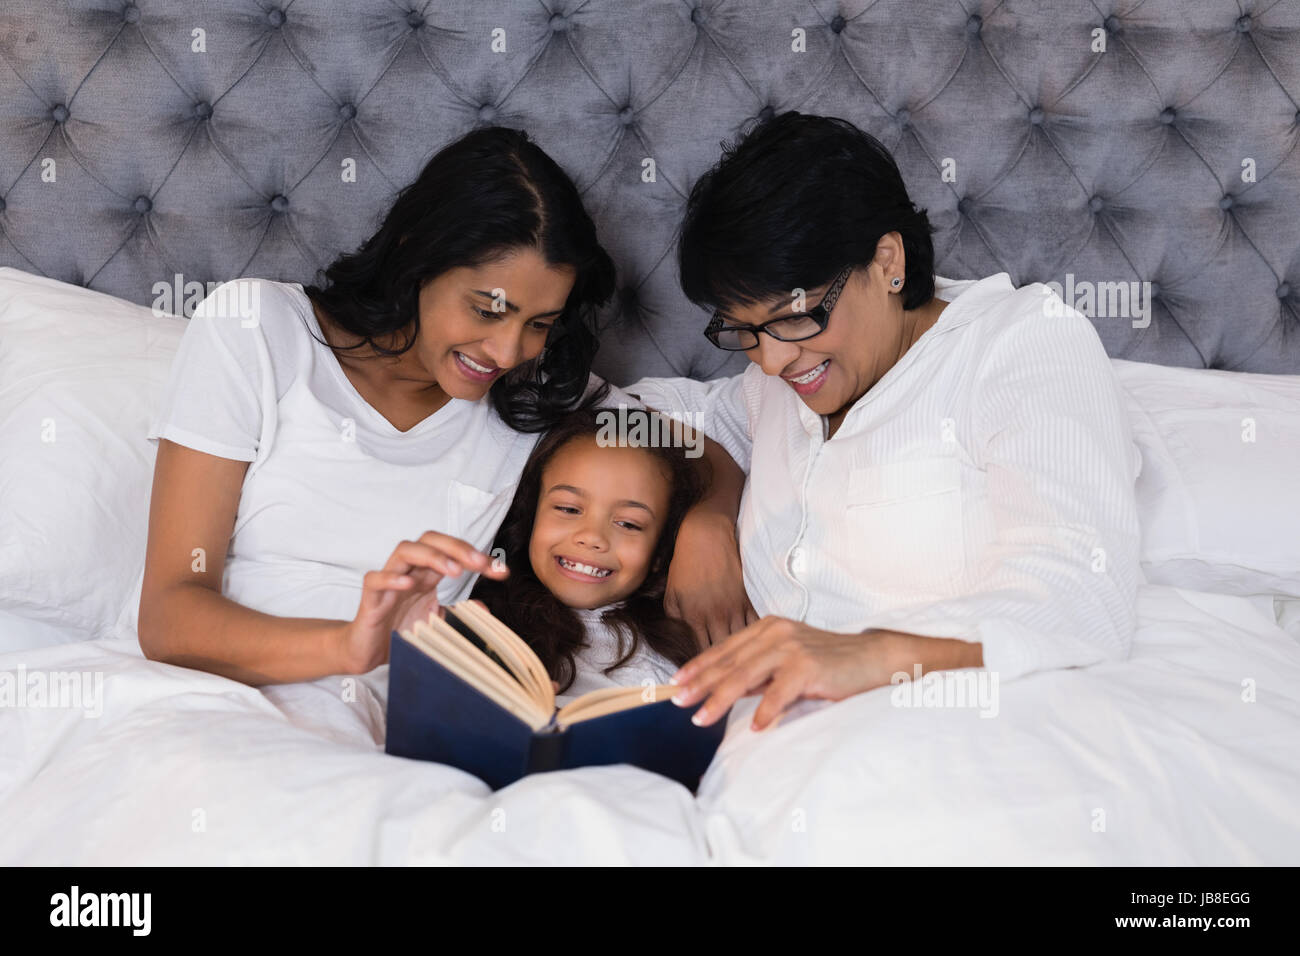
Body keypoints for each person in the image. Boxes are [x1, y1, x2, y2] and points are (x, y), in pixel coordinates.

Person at [137, 126, 747, 687]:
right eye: (487, 309)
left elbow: (692, 450)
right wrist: (351, 648)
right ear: (416, 257)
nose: (508, 350)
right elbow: (170, 615)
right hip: (225, 694)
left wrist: (708, 522)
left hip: (402, 717)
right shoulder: (258, 330)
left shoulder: (536, 394)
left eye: (540, 323)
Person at [628, 112, 1143, 731]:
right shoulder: (775, 389)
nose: (769, 359)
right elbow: (642, 416)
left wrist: (869, 653)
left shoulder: (1022, 342)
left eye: (795, 317)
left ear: (887, 260)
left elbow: (1079, 590)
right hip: (768, 754)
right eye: (743, 329)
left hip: (961, 734)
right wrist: (709, 512)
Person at [471, 404, 703, 700]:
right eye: (568, 509)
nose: (592, 537)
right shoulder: (483, 617)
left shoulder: (681, 645)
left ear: (660, 552)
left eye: (629, 524)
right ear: (531, 518)